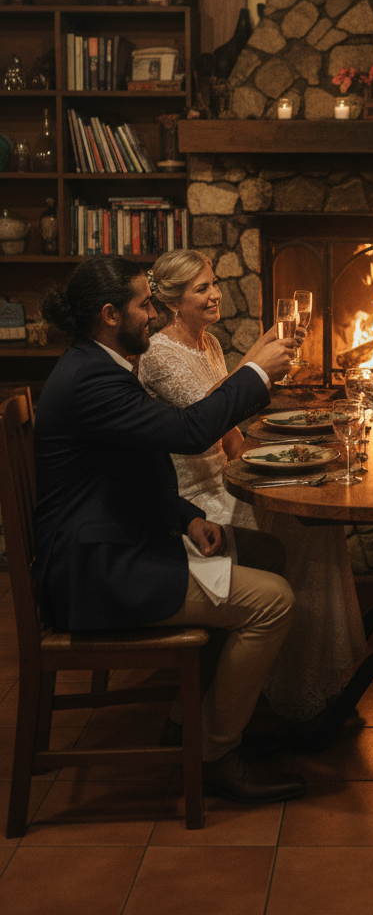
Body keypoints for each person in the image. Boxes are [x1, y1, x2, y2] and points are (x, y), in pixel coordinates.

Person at [34, 255, 306, 806]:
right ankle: (214, 754)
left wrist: (187, 517)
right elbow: (187, 430)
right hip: (102, 573)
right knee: (274, 601)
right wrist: (255, 372)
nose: (154, 315)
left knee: (267, 552)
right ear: (110, 314)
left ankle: (194, 719)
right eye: (144, 305)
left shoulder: (100, 363)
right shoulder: (92, 379)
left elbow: (127, 472)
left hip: (121, 543)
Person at [139, 250, 367, 721]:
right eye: (202, 288)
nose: (216, 294)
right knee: (303, 529)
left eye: (215, 283)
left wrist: (273, 466)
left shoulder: (209, 344)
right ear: (173, 302)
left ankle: (307, 681)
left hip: (225, 478)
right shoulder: (159, 354)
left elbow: (228, 432)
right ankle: (276, 690)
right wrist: (254, 366)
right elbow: (204, 419)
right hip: (193, 498)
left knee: (314, 521)